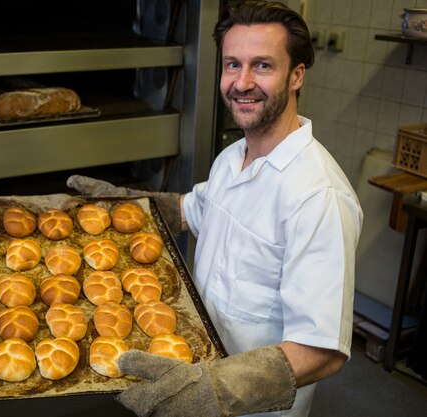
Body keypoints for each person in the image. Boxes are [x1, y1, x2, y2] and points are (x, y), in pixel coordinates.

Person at [67, 1, 363, 416]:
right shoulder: (232, 157)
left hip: (251, 407)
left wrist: (216, 389)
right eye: (231, 65)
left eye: (262, 66)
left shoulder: (317, 196)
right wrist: (127, 204)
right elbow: (193, 210)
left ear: (296, 76)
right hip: (190, 366)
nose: (242, 82)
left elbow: (322, 350)